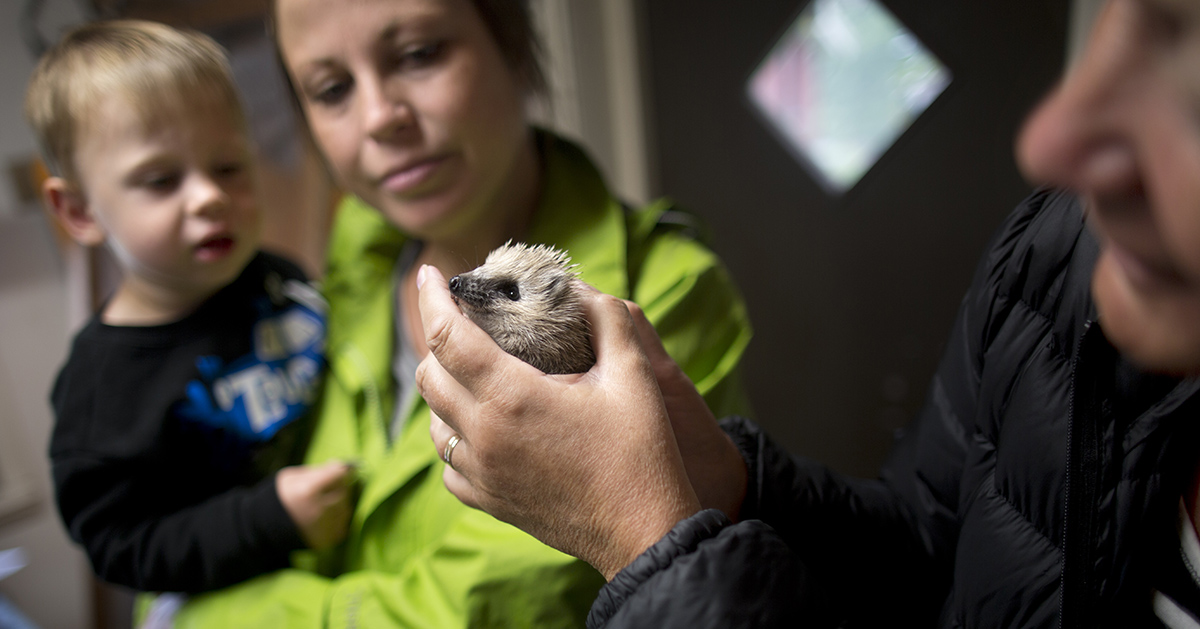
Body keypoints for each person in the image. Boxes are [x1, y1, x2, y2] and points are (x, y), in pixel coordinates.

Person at [419, 0, 1200, 626]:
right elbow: (931, 549)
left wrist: (648, 544)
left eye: (1190, 71)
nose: (1052, 145)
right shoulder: (1055, 261)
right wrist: (733, 487)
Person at [169, 0, 753, 626]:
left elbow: (469, 611)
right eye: (332, 88)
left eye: (419, 54)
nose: (379, 118)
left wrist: (191, 609)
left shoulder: (668, 297)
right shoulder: (354, 251)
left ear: (514, 46)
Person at [28, 20, 354, 597]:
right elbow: (120, 545)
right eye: (160, 180)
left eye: (228, 166)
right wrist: (266, 520)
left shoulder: (276, 277)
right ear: (79, 211)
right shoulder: (101, 388)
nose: (210, 196)